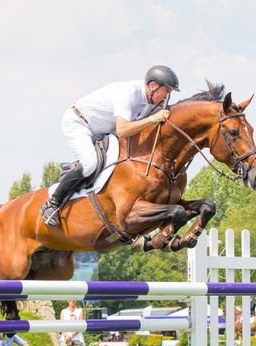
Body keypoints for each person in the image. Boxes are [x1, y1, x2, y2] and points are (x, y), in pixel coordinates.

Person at [40, 65, 181, 226]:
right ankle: (52, 204)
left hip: (103, 132)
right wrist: (153, 119)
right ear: (153, 86)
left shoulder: (151, 101)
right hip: (79, 123)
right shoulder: (128, 93)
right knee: (90, 164)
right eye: (167, 92)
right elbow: (122, 130)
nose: (166, 98)